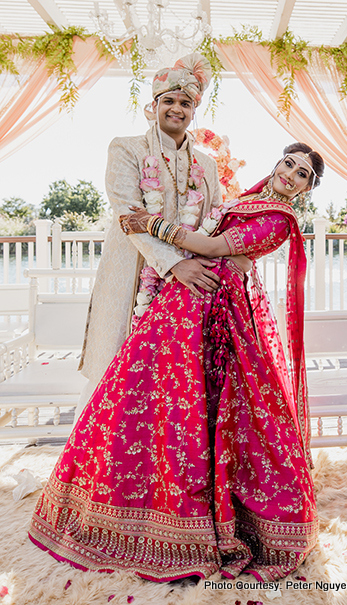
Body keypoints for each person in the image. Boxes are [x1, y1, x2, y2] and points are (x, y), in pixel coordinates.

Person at [29, 143, 325, 583]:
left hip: (221, 308)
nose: (290, 174)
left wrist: (150, 224)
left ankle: (226, 522)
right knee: (149, 394)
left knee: (223, 408)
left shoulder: (279, 220)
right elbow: (214, 241)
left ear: (305, 190)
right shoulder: (249, 199)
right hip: (190, 294)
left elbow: (210, 242)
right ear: (277, 164)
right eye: (288, 164)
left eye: (302, 174)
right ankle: (137, 510)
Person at [76, 53, 222, 419]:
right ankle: (99, 469)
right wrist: (174, 265)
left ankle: (165, 469)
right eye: (168, 101)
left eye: (185, 103)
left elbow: (216, 219)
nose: (177, 109)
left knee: (177, 376)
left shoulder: (207, 165)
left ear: (194, 110)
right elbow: (129, 214)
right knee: (116, 370)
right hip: (129, 278)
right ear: (152, 106)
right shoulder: (126, 148)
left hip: (186, 288)